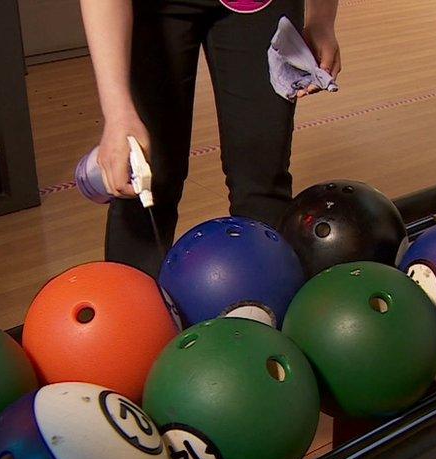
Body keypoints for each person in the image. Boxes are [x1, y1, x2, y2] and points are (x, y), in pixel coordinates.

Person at [80, 0, 340, 277]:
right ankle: (129, 312)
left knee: (261, 178)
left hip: (258, 6)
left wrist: (321, 20)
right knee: (146, 178)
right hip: (155, 10)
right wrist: (118, 112)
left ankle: (263, 307)